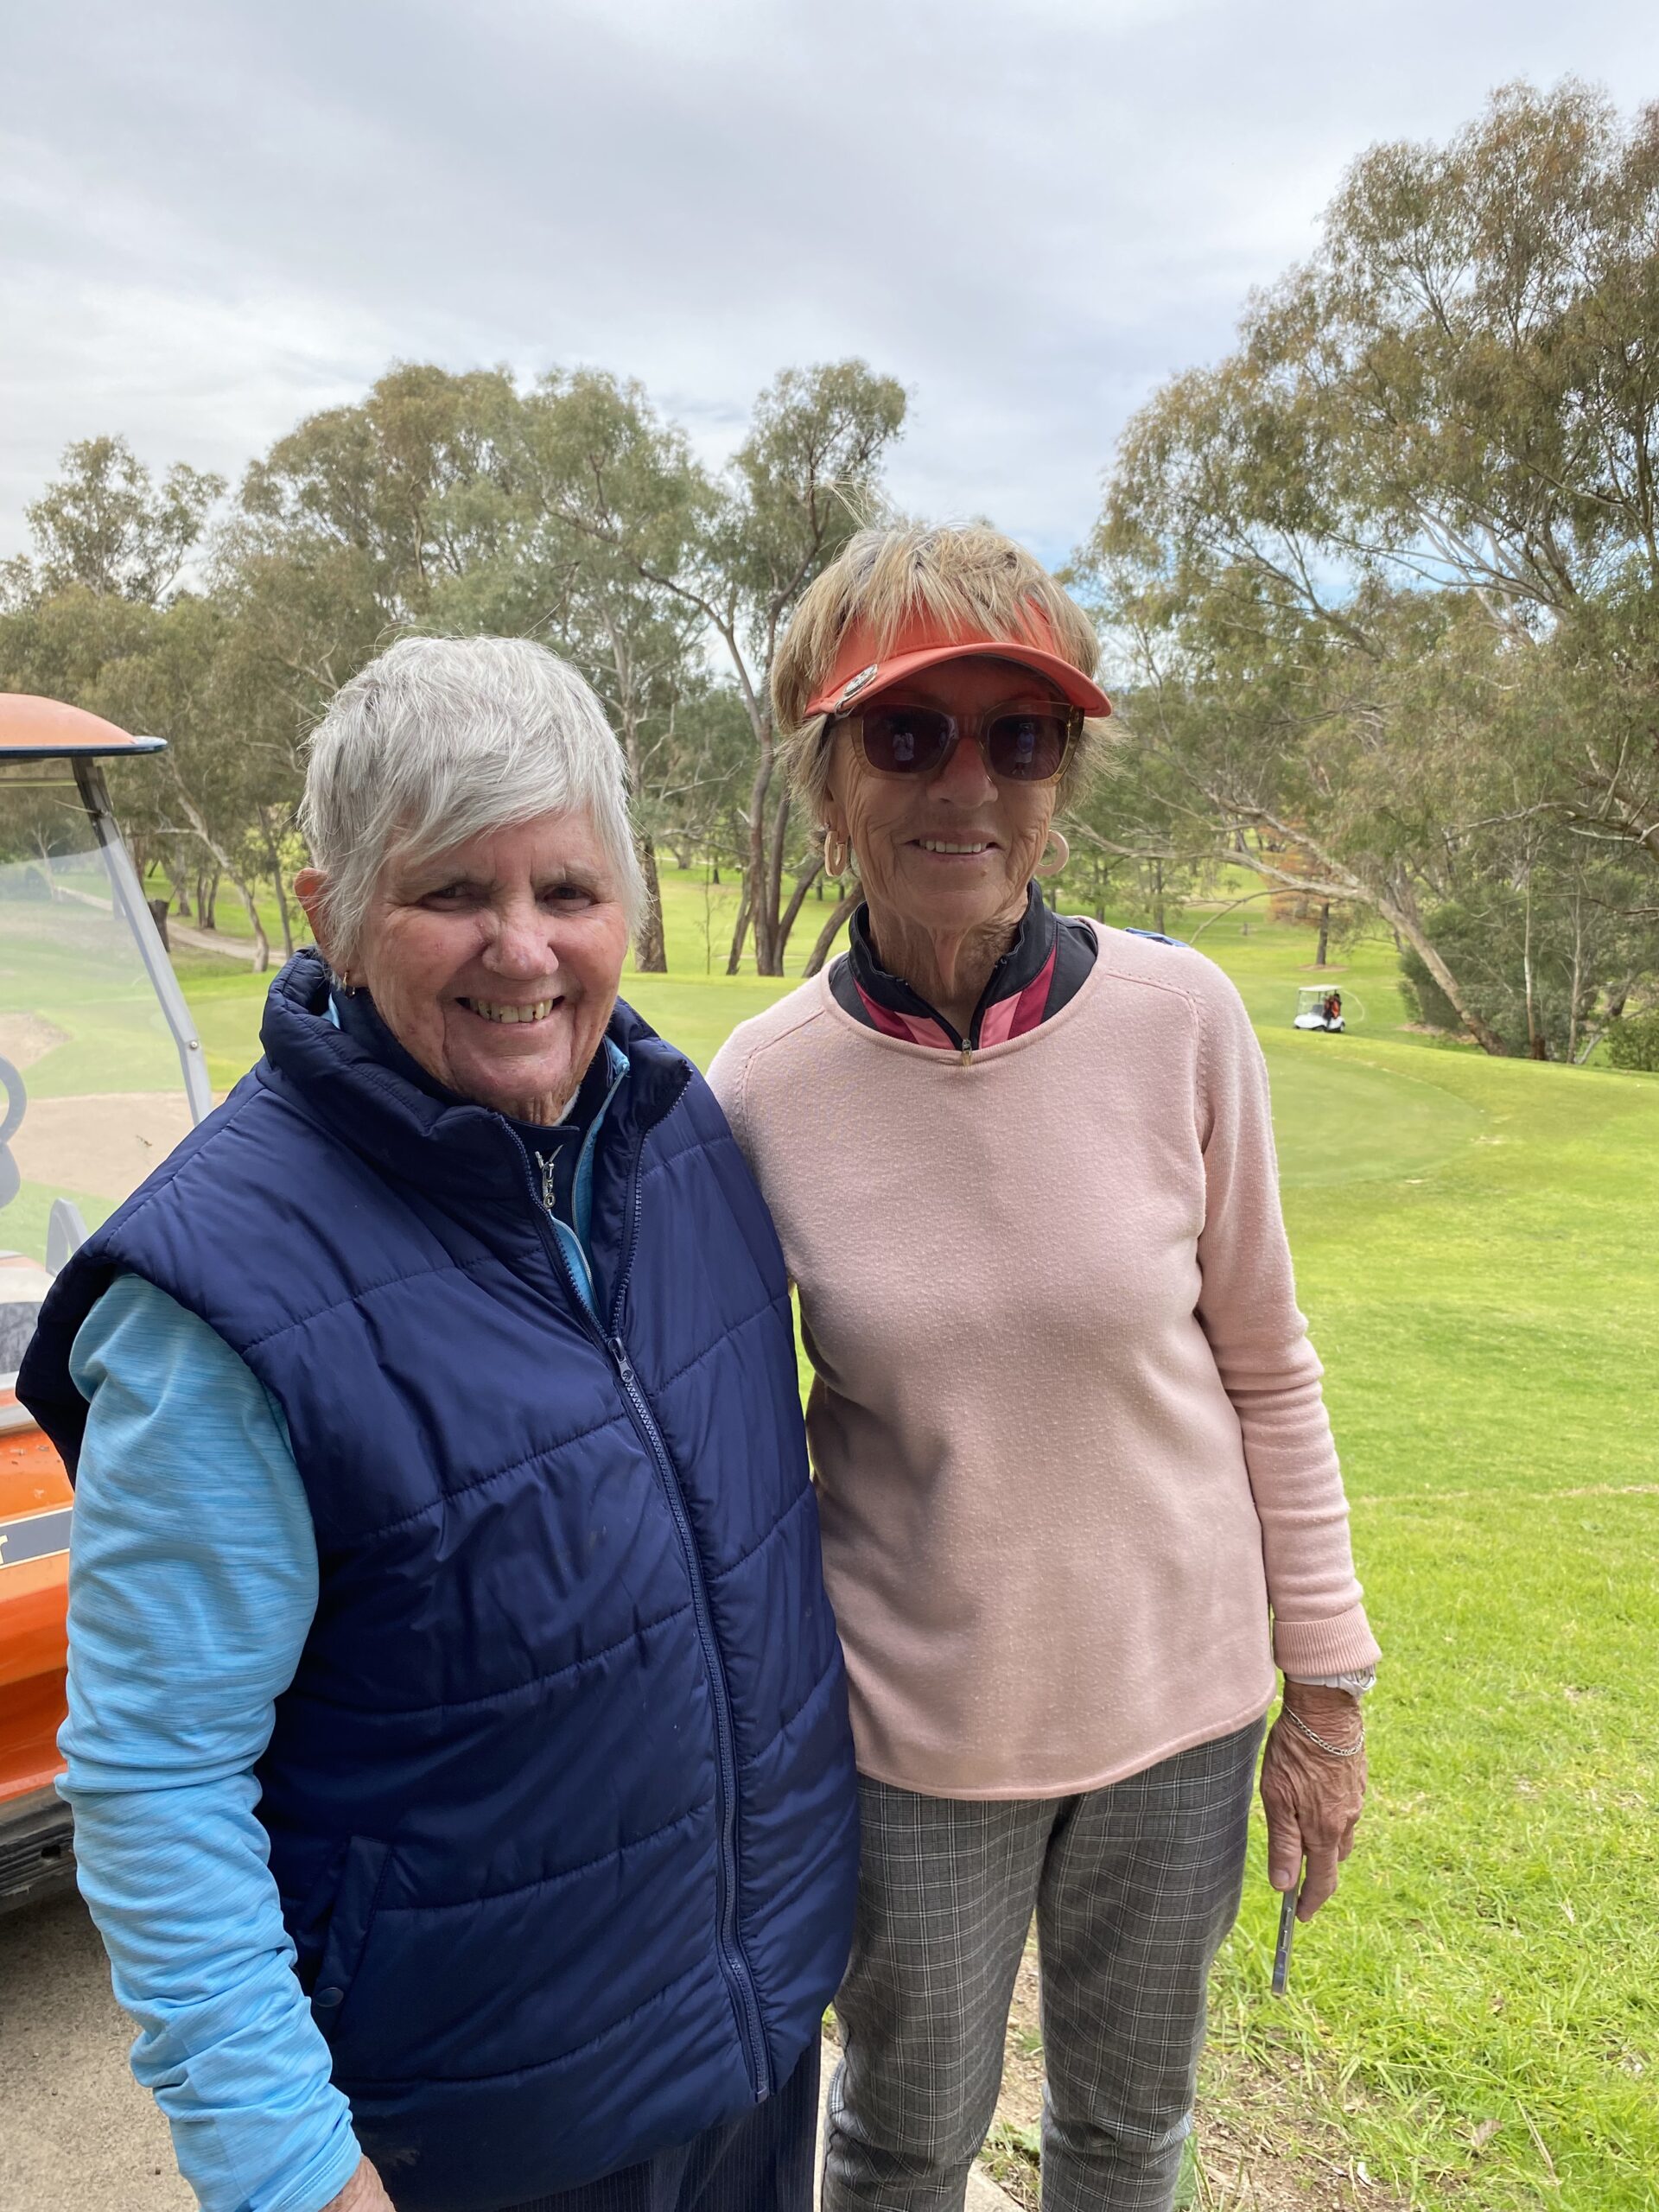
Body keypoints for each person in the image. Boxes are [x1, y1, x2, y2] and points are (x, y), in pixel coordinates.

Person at [20, 637, 858, 2212]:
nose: (524, 952)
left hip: (747, 2057)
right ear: (329, 905)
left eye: (568, 890)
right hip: (482, 2140)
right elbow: (155, 1777)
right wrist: (285, 2168)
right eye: (454, 893)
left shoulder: (686, 1152)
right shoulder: (220, 1304)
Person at [707, 525, 1382, 2212]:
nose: (971, 783)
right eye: (909, 731)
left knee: (1127, 2131)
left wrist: (1329, 1687)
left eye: (1025, 735)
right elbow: (725, 1450)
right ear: (825, 774)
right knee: (903, 2136)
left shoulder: (1184, 1019)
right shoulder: (760, 1090)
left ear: (1064, 772)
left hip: (1183, 1714)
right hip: (913, 1741)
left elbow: (1269, 1370)